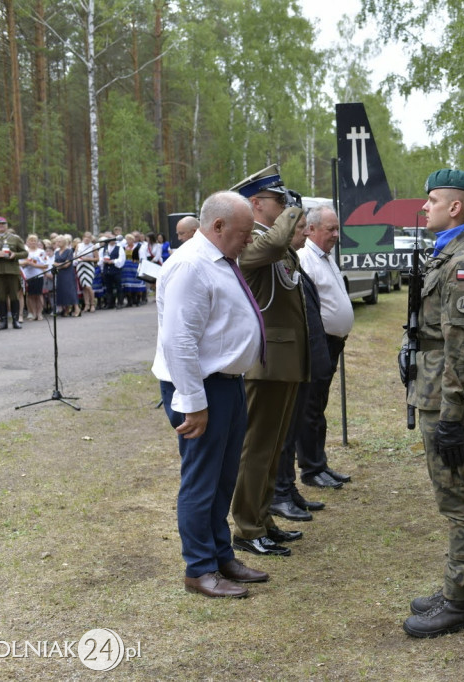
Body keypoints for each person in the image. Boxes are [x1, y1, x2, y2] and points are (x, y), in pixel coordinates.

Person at [152, 190, 268, 599]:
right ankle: (198, 568)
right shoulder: (190, 265)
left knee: (223, 478)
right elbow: (178, 341)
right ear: (217, 226)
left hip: (226, 384)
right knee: (202, 480)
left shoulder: (219, 260)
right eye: (243, 233)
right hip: (202, 388)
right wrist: (194, 403)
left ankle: (221, 556)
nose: (249, 240)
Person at [401, 169, 464, 638]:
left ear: (454, 207)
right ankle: (459, 586)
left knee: (460, 501)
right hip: (437, 392)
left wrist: (454, 419)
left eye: (432, 200)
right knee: (454, 497)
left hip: (449, 400)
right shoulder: (448, 256)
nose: (425, 208)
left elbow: (463, 345)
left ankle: (461, 602)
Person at [229, 165, 310, 558]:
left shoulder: (273, 241)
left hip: (285, 358)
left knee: (274, 446)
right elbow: (278, 245)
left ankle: (263, 519)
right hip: (265, 361)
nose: (287, 206)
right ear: (257, 204)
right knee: (257, 448)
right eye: (280, 200)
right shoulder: (251, 242)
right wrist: (295, 210)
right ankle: (246, 526)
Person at [269, 209, 331, 522]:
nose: (305, 233)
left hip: (301, 360)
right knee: (282, 433)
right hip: (285, 363)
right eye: (299, 228)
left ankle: (287, 487)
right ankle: (279, 492)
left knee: (291, 430)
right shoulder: (278, 261)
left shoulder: (292, 260)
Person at [294, 200, 354, 490]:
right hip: (318, 345)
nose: (336, 234)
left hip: (332, 343)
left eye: (337, 229)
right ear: (311, 229)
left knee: (318, 406)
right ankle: (311, 468)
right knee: (310, 408)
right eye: (331, 229)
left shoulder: (326, 257)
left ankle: (320, 463)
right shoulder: (304, 259)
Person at [53, 235, 80, 317]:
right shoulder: (57, 252)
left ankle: (77, 308)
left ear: (64, 242)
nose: (57, 243)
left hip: (68, 273)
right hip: (60, 274)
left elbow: (67, 264)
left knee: (70, 290)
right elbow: (54, 263)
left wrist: (57, 265)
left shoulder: (69, 251)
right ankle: (66, 309)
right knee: (62, 290)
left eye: (59, 241)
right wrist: (59, 265)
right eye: (56, 241)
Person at [75, 232, 100, 313]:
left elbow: (97, 259)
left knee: (89, 286)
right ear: (83, 237)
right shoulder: (78, 245)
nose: (87, 239)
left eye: (89, 237)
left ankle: (92, 304)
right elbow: (75, 256)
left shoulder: (93, 247)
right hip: (80, 266)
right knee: (84, 286)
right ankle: (86, 304)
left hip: (89, 266)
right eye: (85, 237)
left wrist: (88, 259)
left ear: (91, 239)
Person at [100, 231, 126, 309]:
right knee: (108, 287)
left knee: (118, 286)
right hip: (106, 270)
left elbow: (122, 259)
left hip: (116, 270)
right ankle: (110, 303)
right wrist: (103, 261)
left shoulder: (119, 248)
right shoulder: (104, 248)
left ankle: (120, 302)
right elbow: (100, 257)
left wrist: (113, 261)